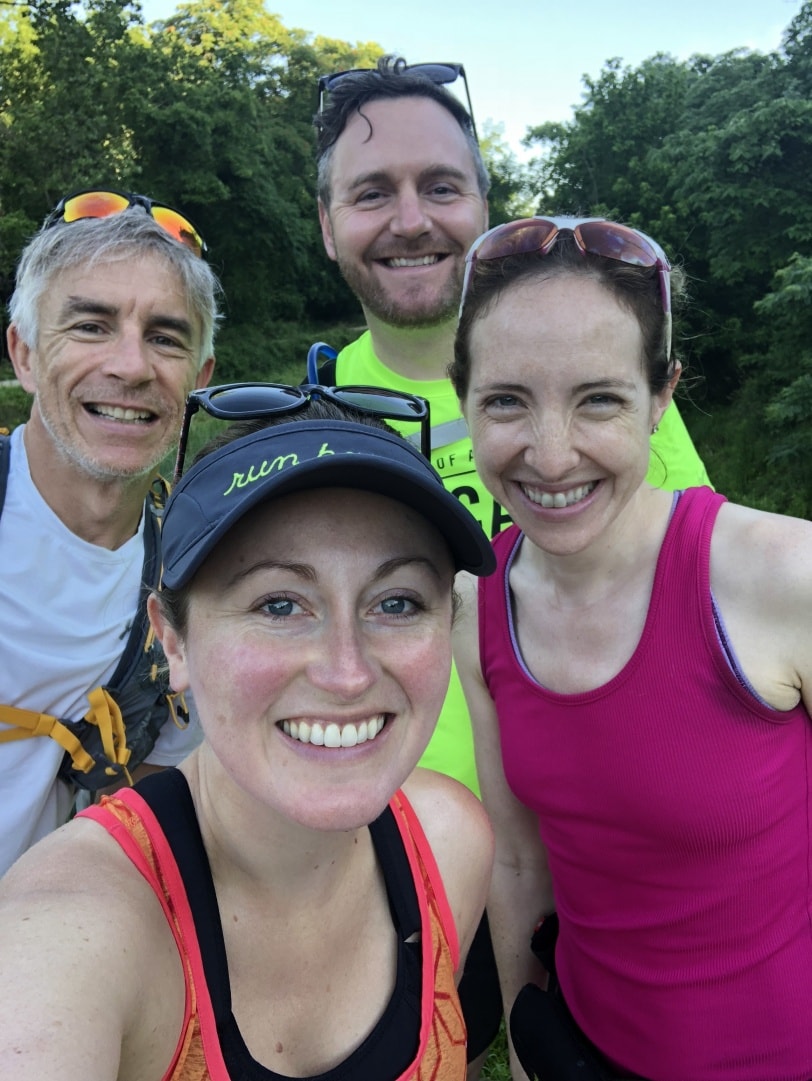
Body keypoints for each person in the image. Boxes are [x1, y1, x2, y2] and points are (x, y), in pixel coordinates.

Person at [313, 56, 712, 1072]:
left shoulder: (597, 376)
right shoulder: (311, 421)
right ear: (326, 224)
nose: (410, 219)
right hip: (388, 870)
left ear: (483, 208)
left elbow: (702, 599)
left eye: (440, 186)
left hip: (603, 856)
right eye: (372, 192)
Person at [0, 390, 496, 1080]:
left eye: (397, 601)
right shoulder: (67, 938)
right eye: (280, 604)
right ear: (173, 640)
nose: (347, 672)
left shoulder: (449, 846)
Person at [450, 215, 812, 1081]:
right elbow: (518, 860)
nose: (550, 455)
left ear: (662, 396)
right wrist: (527, 1042)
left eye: (599, 400)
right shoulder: (477, 601)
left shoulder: (783, 575)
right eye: (506, 400)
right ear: (462, 397)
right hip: (586, 1051)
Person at [0, 189, 218, 875]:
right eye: (91, 326)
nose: (131, 365)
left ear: (199, 380)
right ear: (25, 355)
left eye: (165, 337)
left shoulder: (193, 577)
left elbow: (154, 790)